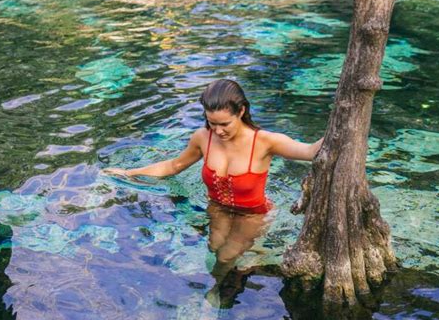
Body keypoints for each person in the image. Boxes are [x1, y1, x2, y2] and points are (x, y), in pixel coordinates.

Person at [104, 78, 323, 306]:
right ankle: (238, 275)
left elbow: (308, 151)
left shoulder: (265, 141)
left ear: (241, 111)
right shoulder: (202, 137)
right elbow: (174, 166)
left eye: (224, 124)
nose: (218, 131)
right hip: (217, 207)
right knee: (214, 248)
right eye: (212, 123)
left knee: (226, 255)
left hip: (253, 214)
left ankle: (217, 293)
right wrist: (128, 173)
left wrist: (350, 124)